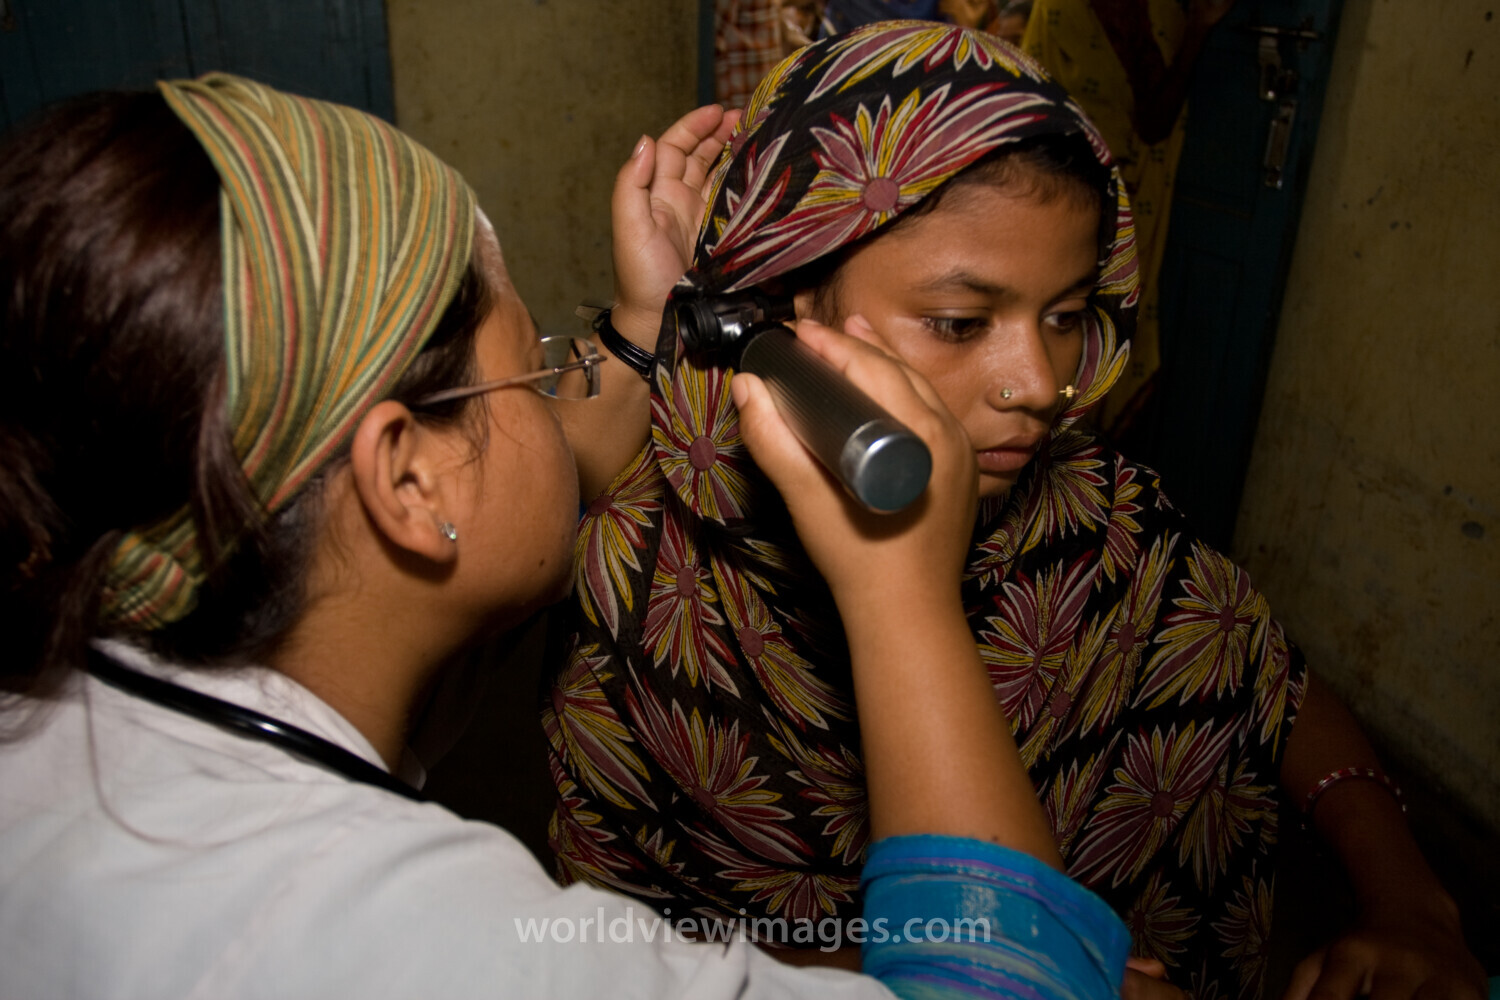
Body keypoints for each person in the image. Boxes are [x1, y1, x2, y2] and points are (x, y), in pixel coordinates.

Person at [0, 74, 1133, 999]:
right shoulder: (450, 951)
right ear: (408, 476)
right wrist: (902, 593)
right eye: (535, 367)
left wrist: (649, 322)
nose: (565, 397)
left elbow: (564, 472)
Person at [545, 20, 1487, 1000]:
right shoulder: (649, 577)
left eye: (1068, 316)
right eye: (960, 322)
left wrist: (1411, 901)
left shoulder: (1099, 514)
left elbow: (1272, 685)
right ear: (790, 310)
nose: (1038, 382)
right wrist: (1024, 962)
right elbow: (626, 949)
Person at [1021, 0, 1234, 436]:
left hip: (1045, 183)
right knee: (1072, 354)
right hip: (1095, 193)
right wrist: (1199, 29)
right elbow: (1154, 120)